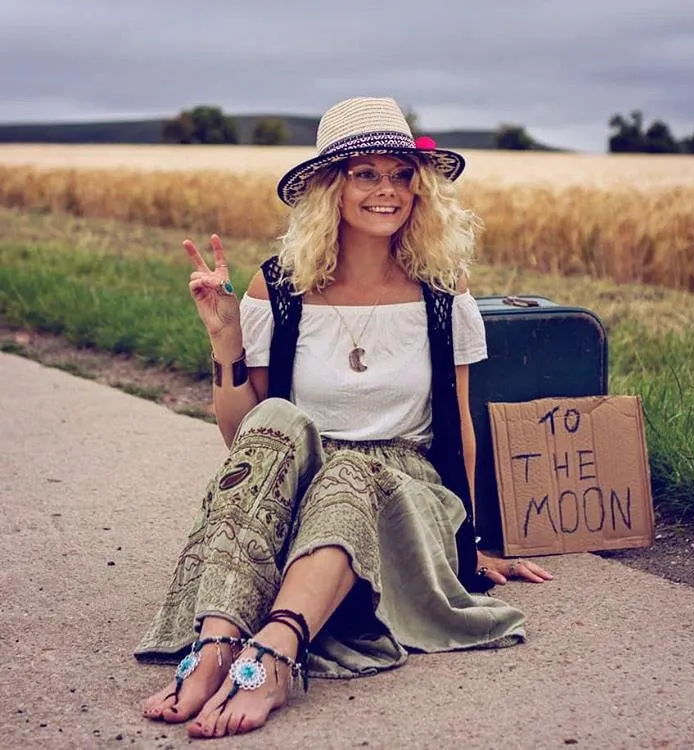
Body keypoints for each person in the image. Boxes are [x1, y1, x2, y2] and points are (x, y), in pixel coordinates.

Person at [136, 96, 553, 740]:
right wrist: (225, 346)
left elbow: (461, 427)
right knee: (277, 420)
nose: (388, 190)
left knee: (350, 471)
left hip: (407, 491)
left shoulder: (444, 292)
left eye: (401, 174)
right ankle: (216, 644)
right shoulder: (275, 289)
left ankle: (274, 655)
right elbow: (248, 442)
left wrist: (468, 547)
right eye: (366, 173)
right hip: (302, 480)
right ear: (331, 187)